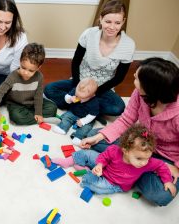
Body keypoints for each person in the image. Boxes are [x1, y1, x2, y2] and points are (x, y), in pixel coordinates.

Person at [80, 57, 179, 206]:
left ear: (152, 88)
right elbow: (126, 120)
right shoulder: (140, 93)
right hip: (138, 143)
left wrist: (174, 166)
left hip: (166, 157)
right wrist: (99, 137)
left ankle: (131, 171)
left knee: (161, 196)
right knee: (92, 138)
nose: (134, 79)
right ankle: (133, 171)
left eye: (137, 78)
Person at [44, 0, 135, 123]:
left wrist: (94, 92)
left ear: (123, 21)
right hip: (80, 82)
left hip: (102, 88)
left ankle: (78, 106)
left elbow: (119, 77)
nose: (112, 27)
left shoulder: (128, 45)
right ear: (101, 18)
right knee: (49, 89)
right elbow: (76, 61)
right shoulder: (89, 34)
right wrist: (78, 86)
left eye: (117, 23)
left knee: (118, 108)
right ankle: (89, 109)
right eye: (108, 21)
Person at [52, 124, 176, 196]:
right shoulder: (114, 150)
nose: (144, 162)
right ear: (125, 150)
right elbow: (104, 157)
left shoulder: (147, 162)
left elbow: (161, 166)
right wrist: (100, 164)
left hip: (114, 184)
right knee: (87, 153)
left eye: (147, 158)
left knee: (95, 185)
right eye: (139, 158)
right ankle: (69, 161)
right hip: (105, 168)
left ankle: (85, 170)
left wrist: (167, 181)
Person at [0, 43, 57, 125]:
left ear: (38, 67)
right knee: (17, 117)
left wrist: (38, 112)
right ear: (20, 61)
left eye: (31, 71)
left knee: (53, 107)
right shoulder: (13, 76)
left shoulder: (39, 77)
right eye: (23, 67)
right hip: (16, 105)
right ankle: (42, 119)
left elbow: (38, 96)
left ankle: (35, 116)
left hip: (32, 103)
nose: (25, 73)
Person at [52, 78, 99, 145]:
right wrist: (70, 98)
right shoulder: (75, 91)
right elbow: (66, 98)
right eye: (78, 96)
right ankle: (62, 128)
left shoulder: (94, 102)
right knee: (66, 117)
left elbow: (92, 115)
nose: (79, 98)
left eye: (82, 98)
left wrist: (83, 121)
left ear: (92, 95)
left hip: (85, 118)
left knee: (86, 127)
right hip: (73, 112)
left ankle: (78, 137)